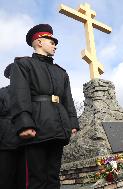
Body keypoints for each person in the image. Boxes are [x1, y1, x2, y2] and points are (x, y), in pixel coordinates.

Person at [9, 24, 80, 189]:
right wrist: (24, 123)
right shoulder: (23, 64)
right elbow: (20, 94)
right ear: (39, 42)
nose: (55, 45)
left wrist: (72, 123)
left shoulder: (61, 72)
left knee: (54, 177)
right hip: (37, 126)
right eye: (52, 41)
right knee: (38, 179)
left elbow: (67, 99)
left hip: (58, 125)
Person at [0, 63, 21, 189]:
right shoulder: (2, 93)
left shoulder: (33, 93)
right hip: (6, 143)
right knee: (5, 179)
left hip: (29, 143)